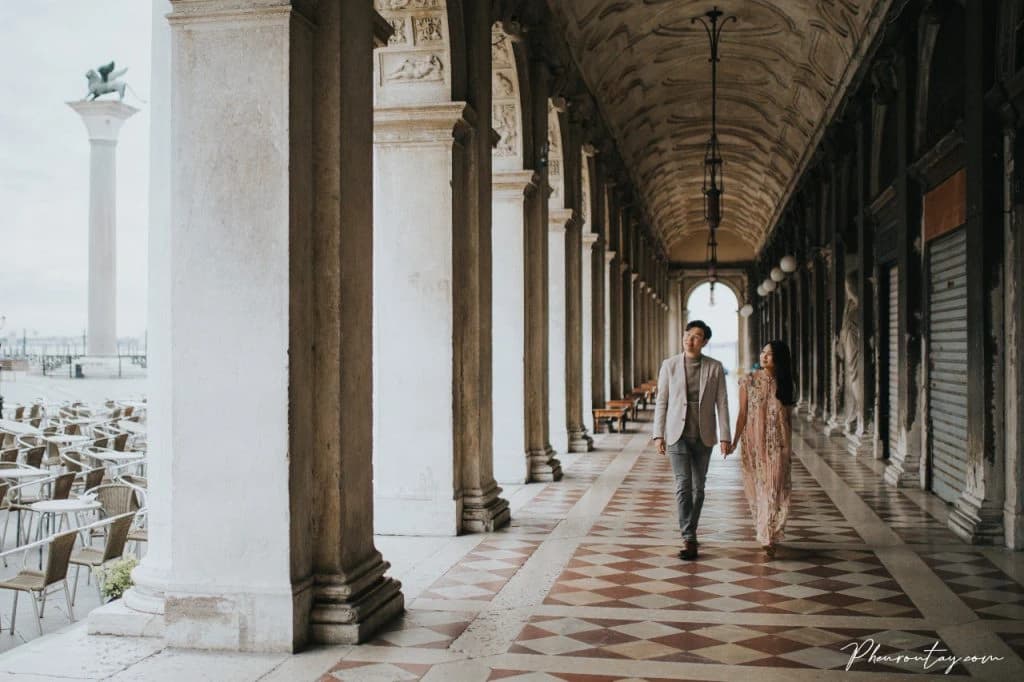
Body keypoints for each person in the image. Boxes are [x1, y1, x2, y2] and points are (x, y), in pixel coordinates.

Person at [652, 320, 732, 561]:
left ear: (704, 341)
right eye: (688, 334)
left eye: (696, 336)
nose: (690, 339)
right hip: (677, 434)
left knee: (698, 489)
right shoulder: (670, 365)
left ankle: (691, 530)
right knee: (682, 485)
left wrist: (725, 436)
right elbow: (662, 401)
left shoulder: (715, 367)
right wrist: (658, 433)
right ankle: (689, 537)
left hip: (703, 435)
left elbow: (722, 402)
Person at [730, 340, 796, 559]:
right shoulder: (748, 381)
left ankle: (770, 533)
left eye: (769, 354)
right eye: (763, 352)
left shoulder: (786, 383)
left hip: (778, 444)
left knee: (775, 488)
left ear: (779, 358)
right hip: (754, 444)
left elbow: (788, 418)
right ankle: (766, 533)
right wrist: (733, 441)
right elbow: (742, 415)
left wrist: (789, 448)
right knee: (759, 487)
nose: (764, 357)